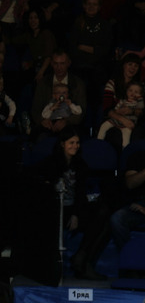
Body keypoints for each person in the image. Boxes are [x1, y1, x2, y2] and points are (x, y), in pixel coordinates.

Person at [42, 127, 111, 280]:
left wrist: (75, 214)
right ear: (62, 144)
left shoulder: (80, 164)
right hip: (54, 210)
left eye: (77, 143)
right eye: (71, 142)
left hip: (73, 209)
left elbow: (81, 194)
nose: (75, 146)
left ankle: (83, 259)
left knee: (104, 215)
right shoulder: (50, 163)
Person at [68, 0, 113, 112]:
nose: (91, 7)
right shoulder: (77, 23)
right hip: (79, 66)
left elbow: (105, 50)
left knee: (96, 87)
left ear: (99, 7)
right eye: (89, 4)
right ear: (84, 6)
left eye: (95, 4)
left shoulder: (105, 25)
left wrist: (84, 47)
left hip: (98, 68)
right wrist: (93, 49)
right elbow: (73, 47)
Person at [31, 49, 87, 137]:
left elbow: (82, 111)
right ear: (52, 64)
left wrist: (66, 121)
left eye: (62, 63)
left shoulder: (78, 83)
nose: (59, 67)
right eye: (56, 64)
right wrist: (43, 120)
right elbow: (36, 108)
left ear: (68, 63)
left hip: (69, 124)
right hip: (47, 123)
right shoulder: (43, 83)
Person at [110, 148, 145, 250]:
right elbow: (129, 184)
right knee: (117, 218)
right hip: (139, 204)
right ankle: (129, 256)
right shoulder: (137, 156)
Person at [97, 80, 144, 149]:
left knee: (126, 137)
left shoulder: (137, 103)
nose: (132, 93)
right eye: (130, 90)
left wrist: (139, 98)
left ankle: (125, 151)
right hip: (116, 120)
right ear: (127, 91)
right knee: (104, 126)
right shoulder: (122, 101)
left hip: (128, 124)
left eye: (136, 92)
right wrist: (117, 111)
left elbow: (141, 108)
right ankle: (98, 142)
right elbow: (115, 109)